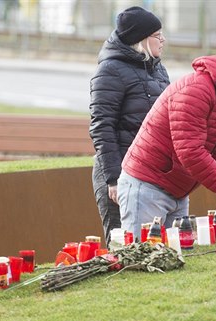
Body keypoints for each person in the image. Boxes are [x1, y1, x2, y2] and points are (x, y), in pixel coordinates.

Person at [117, 52, 216, 239]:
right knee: (141, 258)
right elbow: (191, 154)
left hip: (177, 191)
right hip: (147, 187)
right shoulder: (195, 90)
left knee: (176, 261)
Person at [89, 6, 170, 244]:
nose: (163, 40)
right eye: (157, 35)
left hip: (151, 170)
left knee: (154, 244)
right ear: (141, 39)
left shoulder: (157, 69)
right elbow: (102, 127)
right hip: (121, 172)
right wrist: (113, 179)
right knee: (122, 246)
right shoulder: (110, 70)